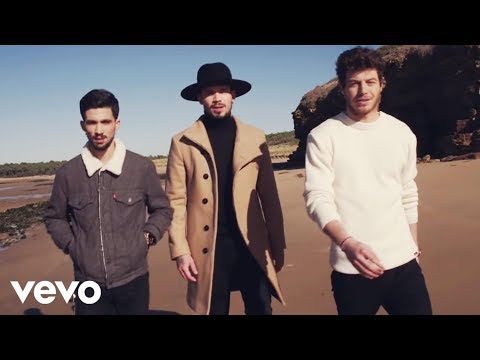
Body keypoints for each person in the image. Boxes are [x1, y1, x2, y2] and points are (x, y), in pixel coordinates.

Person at [304, 47, 432, 315]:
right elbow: (317, 197)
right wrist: (347, 243)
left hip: (404, 264)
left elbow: (408, 191)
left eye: (370, 82)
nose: (363, 90)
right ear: (342, 87)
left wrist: (413, 246)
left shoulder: (402, 133)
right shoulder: (324, 136)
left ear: (382, 84)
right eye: (354, 83)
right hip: (352, 268)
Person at [165, 62, 286, 315]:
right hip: (207, 248)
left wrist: (277, 243)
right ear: (199, 97)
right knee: (215, 310)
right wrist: (180, 251)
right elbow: (175, 201)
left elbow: (269, 196)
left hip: (251, 243)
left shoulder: (256, 138)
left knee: (261, 308)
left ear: (234, 95)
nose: (217, 97)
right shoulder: (182, 142)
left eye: (222, 90)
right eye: (209, 92)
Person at [44, 89, 173, 315]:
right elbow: (54, 217)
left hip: (134, 279)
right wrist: (73, 247)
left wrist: (147, 237)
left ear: (117, 123)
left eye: (106, 121)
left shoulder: (141, 167)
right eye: (92, 122)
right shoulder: (68, 173)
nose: (99, 130)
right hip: (87, 283)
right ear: (83, 125)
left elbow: (162, 209)